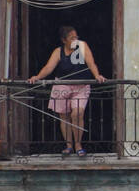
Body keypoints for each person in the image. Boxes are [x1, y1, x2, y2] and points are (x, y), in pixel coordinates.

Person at [28, 25, 106, 155]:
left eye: (76, 37)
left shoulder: (82, 46)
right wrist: (37, 77)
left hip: (81, 86)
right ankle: (69, 145)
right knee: (64, 117)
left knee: (77, 113)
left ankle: (78, 145)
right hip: (62, 87)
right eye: (71, 38)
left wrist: (97, 75)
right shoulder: (58, 51)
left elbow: (91, 63)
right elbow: (48, 67)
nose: (75, 40)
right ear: (64, 40)